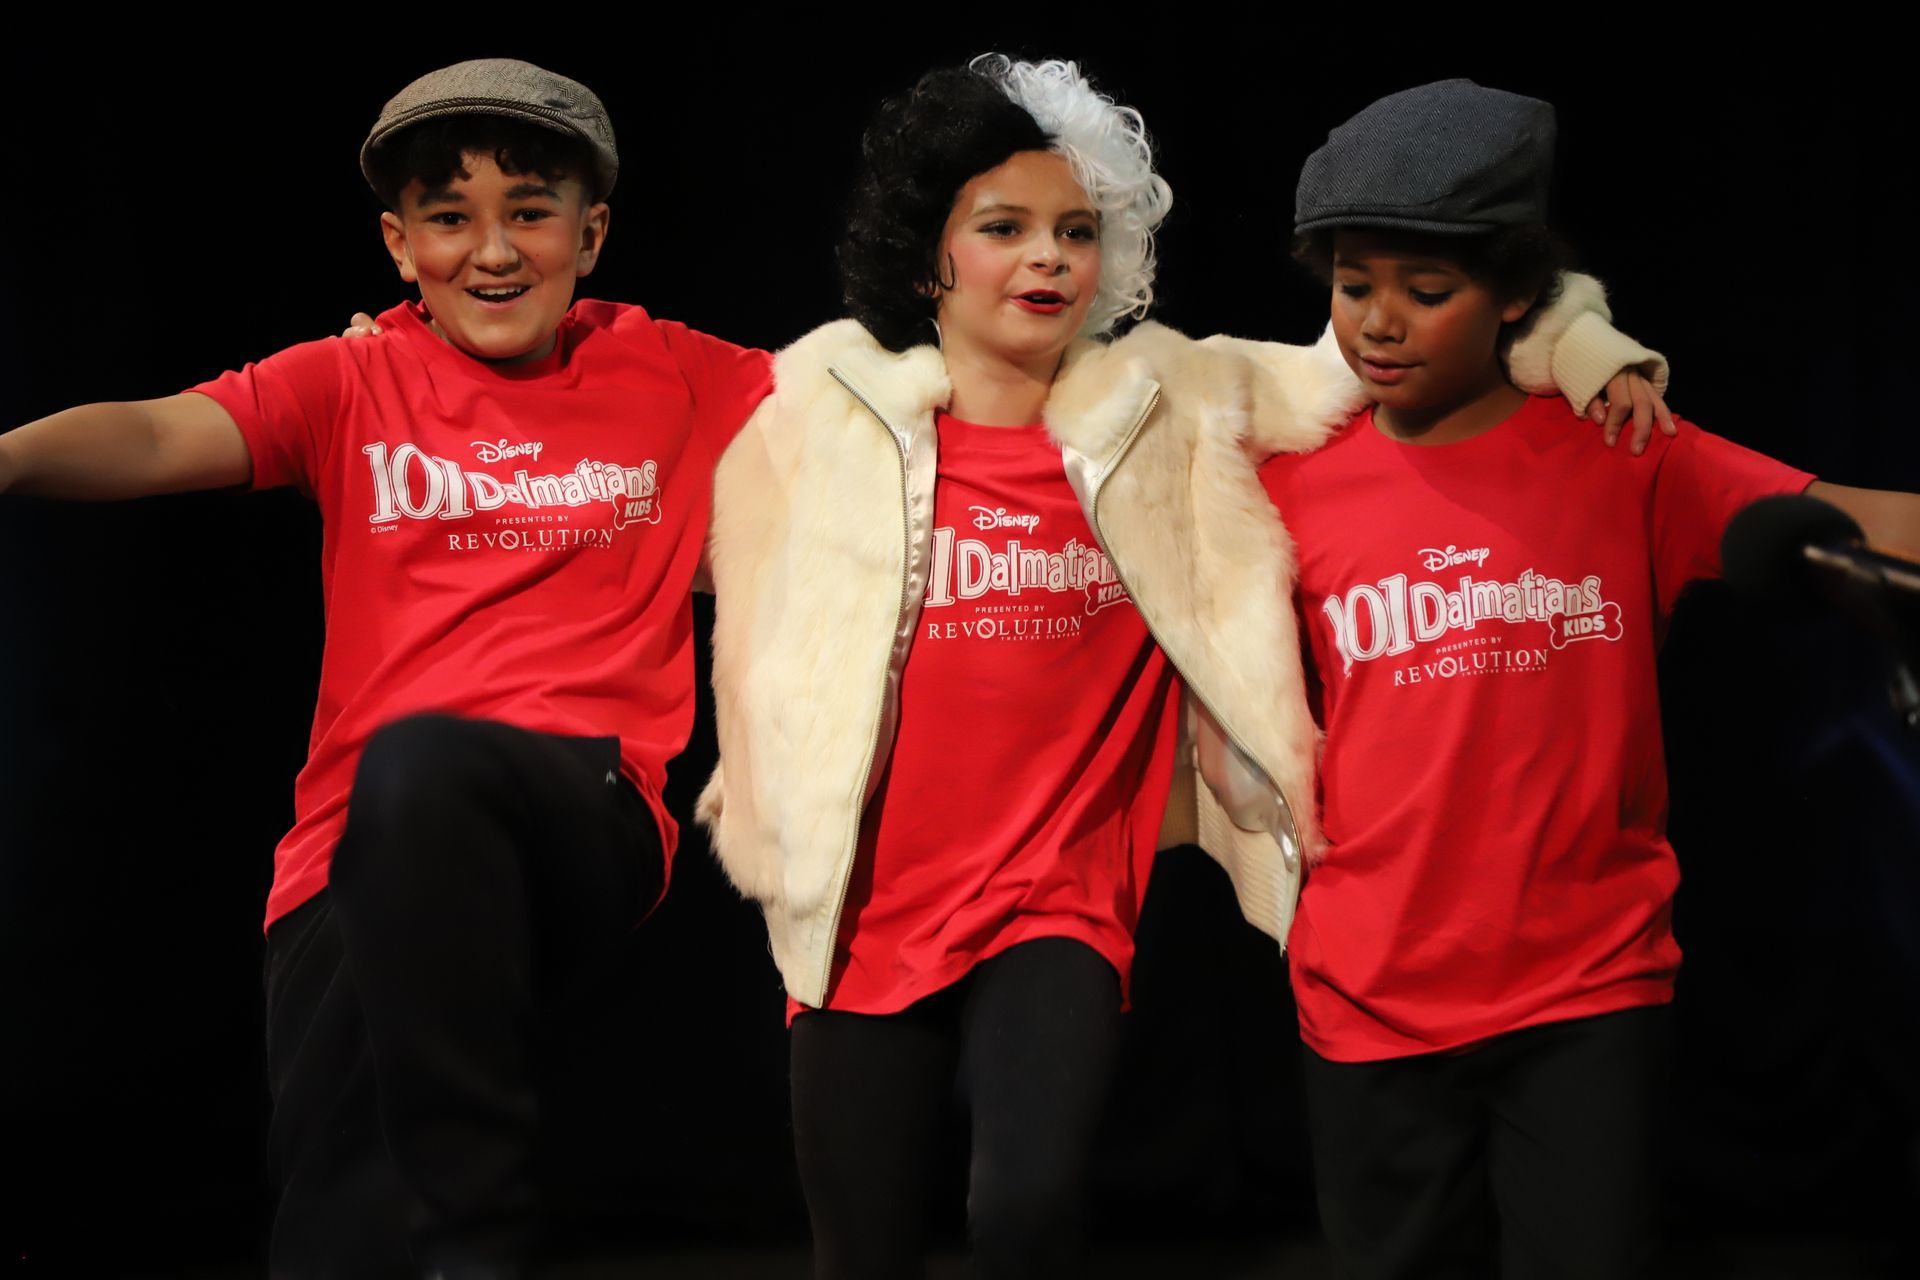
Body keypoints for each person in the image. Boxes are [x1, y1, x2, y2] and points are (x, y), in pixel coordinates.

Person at [696, 57, 1664, 1278]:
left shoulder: (1163, 394)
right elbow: (629, 445)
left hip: (1056, 897)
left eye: (1077, 231)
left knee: (1027, 1210)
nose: (1048, 258)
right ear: (926, 250)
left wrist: (1579, 332)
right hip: (856, 903)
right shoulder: (816, 403)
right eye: (1005, 229)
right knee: (862, 1249)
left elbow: (1387, 335)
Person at [0, 59, 770, 1278]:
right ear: (399, 243)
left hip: (583, 804)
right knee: (337, 1230)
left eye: (528, 209)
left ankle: (478, 1231)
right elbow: (153, 431)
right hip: (349, 849)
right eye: (450, 218)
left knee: (427, 764)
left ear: (592, 231)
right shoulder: (353, 380)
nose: (493, 247)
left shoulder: (673, 369)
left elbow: (876, 408)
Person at [1260, 79, 1920, 1279]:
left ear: (1520, 293)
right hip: (1370, 985)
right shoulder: (1291, 477)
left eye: (1427, 288)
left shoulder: (1622, 450)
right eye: (1356, 286)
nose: (1380, 323)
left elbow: (1847, 518)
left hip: (1587, 985)